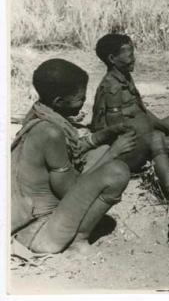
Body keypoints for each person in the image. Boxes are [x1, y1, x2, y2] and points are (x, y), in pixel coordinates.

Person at [11, 59, 134, 255]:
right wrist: (114, 153)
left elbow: (72, 151)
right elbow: (69, 190)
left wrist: (103, 135)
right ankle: (78, 239)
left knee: (99, 152)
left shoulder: (39, 112)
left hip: (26, 218)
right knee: (117, 171)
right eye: (80, 98)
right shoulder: (51, 133)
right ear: (59, 102)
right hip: (39, 233)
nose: (84, 102)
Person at [91, 34, 169, 209]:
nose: (134, 59)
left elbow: (142, 111)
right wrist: (150, 141)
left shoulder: (124, 77)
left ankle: (158, 154)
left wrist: (166, 127)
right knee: (157, 140)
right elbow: (116, 132)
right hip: (123, 152)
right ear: (112, 59)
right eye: (129, 55)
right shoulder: (112, 88)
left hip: (141, 138)